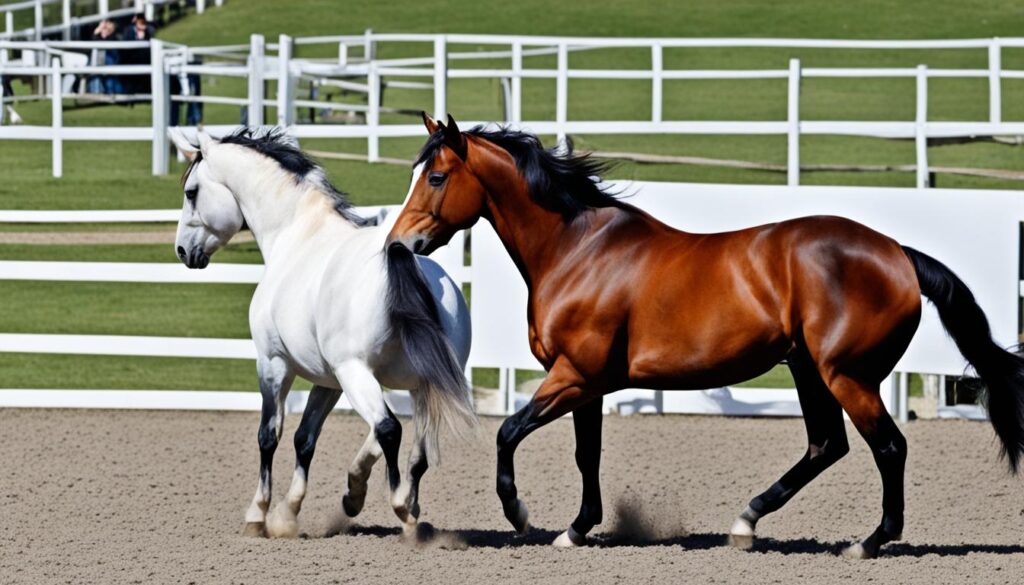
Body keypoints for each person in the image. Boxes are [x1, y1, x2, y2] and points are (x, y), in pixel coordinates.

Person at [121, 13, 154, 95]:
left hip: (144, 59)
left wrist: (144, 35)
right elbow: (125, 47)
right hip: (131, 58)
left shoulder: (147, 31)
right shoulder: (129, 31)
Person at [89, 19, 123, 95]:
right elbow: (95, 42)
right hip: (100, 63)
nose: (105, 29)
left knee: (108, 65)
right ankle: (97, 92)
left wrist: (106, 30)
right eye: (104, 28)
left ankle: (110, 92)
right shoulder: (99, 37)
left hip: (111, 63)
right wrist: (98, 31)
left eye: (108, 27)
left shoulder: (115, 37)